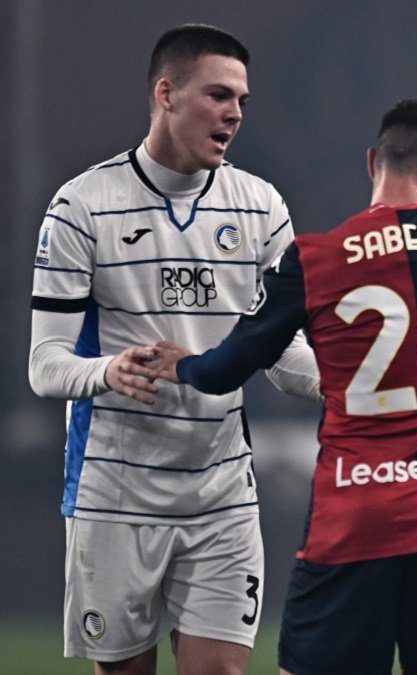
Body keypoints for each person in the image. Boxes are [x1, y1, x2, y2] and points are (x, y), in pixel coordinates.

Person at [145, 99, 417, 675]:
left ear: (373, 161)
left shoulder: (314, 259)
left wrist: (182, 365)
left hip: (351, 520)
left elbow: (220, 373)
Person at [27, 24, 318, 675]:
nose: (234, 112)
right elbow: (44, 365)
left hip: (222, 492)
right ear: (166, 94)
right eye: (218, 95)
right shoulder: (82, 206)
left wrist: (355, 384)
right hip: (115, 493)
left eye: (241, 99)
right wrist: (108, 370)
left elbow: (281, 353)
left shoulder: (260, 206)